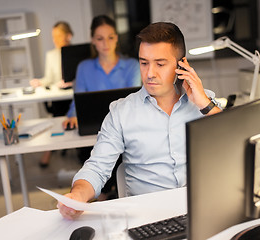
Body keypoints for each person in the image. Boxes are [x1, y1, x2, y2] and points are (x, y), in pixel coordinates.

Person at [58, 22, 222, 220]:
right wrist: (77, 195)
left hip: (200, 211)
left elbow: (233, 144)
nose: (150, 73)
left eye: (160, 64)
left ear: (182, 65)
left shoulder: (204, 104)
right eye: (144, 63)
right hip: (150, 218)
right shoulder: (121, 112)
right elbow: (97, 167)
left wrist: (204, 104)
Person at [62, 15, 141, 199]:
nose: (106, 43)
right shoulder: (84, 67)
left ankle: (106, 194)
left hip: (124, 129)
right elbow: (78, 100)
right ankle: (102, 193)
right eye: (100, 38)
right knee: (93, 156)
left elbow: (134, 101)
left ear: (116, 38)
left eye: (110, 37)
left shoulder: (132, 66)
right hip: (92, 131)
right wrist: (73, 115)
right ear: (93, 41)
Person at [29, 21, 74, 168]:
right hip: (59, 96)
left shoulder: (77, 53)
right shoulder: (51, 55)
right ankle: (50, 149)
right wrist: (39, 82)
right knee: (58, 114)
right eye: (53, 37)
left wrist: (72, 82)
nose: (55, 40)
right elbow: (49, 78)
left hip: (74, 93)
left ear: (68, 36)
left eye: (58, 36)